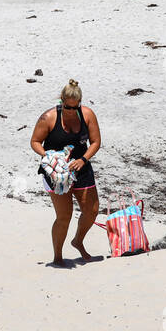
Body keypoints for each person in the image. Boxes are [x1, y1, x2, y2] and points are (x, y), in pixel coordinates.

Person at [30, 79, 102, 268]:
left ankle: (78, 241)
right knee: (64, 216)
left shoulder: (87, 115)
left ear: (79, 103)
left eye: (74, 107)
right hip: (56, 172)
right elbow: (35, 141)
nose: (71, 111)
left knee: (92, 210)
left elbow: (95, 141)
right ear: (61, 101)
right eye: (67, 107)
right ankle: (58, 257)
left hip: (80, 167)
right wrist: (50, 156)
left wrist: (83, 159)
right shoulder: (49, 117)